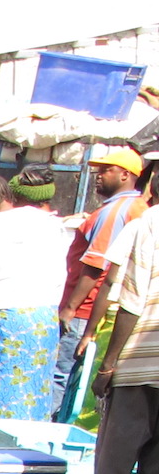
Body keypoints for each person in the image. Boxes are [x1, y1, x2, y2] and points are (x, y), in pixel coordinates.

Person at [0, 166, 66, 447]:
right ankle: (27, 455)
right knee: (34, 390)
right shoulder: (54, 225)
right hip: (44, 320)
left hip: (6, 319)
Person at [83, 197, 159, 474]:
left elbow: (129, 301)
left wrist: (109, 364)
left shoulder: (146, 226)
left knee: (114, 468)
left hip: (139, 367)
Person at [56, 147, 148, 416]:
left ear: (125, 175)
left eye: (106, 170)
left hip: (86, 309)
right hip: (103, 310)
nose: (98, 175)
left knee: (61, 379)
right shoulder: (136, 208)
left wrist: (71, 307)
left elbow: (98, 266)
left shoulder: (117, 211)